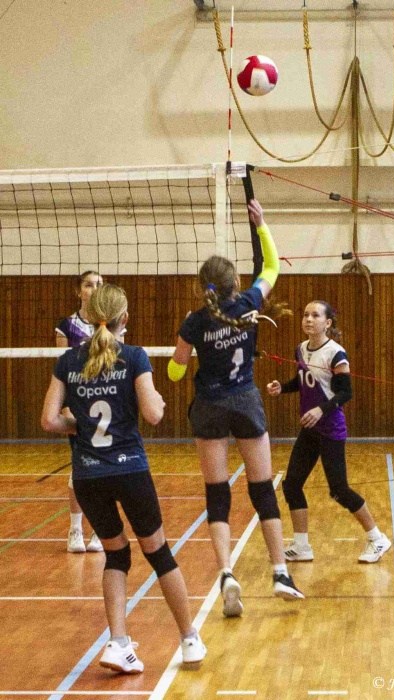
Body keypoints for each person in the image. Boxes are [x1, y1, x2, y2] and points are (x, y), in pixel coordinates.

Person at [42, 283, 206, 672]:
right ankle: (189, 639)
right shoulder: (133, 357)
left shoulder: (68, 361)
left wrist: (80, 425)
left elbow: (49, 420)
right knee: (159, 553)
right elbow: (153, 414)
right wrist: (157, 402)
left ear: (88, 316)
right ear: (125, 318)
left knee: (116, 554)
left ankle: (118, 643)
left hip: (88, 476)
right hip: (129, 469)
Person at [168, 198, 304, 618]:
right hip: (245, 401)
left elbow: (175, 372)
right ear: (234, 283)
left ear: (203, 288)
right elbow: (272, 267)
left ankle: (227, 573)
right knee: (262, 490)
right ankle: (280, 572)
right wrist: (261, 225)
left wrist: (184, 348)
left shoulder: (194, 321)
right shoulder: (249, 303)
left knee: (217, 493)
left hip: (209, 406)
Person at [266, 300, 392, 564]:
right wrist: (283, 388)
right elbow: (304, 381)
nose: (309, 319)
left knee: (339, 489)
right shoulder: (301, 349)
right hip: (309, 430)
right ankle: (302, 546)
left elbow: (345, 392)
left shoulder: (336, 353)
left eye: (315, 315)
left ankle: (377, 538)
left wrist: (321, 410)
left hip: (330, 429)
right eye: (305, 315)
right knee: (292, 484)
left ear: (328, 323)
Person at [55, 270, 105, 553]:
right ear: (79, 291)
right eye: (89, 285)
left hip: (105, 404)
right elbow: (60, 371)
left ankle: (100, 529)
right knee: (80, 467)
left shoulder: (111, 323)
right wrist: (64, 407)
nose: (94, 289)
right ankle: (75, 529)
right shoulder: (67, 327)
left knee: (104, 467)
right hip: (78, 405)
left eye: (99, 284)